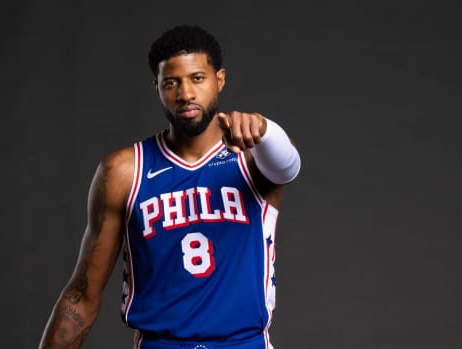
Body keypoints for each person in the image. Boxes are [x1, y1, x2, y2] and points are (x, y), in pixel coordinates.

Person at [39, 25, 301, 349]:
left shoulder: (252, 155)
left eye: (197, 78)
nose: (186, 94)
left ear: (219, 79)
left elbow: (288, 165)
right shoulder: (125, 171)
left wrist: (265, 128)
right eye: (171, 83)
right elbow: (82, 296)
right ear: (157, 88)